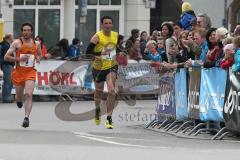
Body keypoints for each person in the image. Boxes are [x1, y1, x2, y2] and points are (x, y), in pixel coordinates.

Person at [4, 22, 41, 128]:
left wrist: (38, 58)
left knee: (29, 94)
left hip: (30, 72)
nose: (26, 32)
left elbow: (39, 54)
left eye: (28, 30)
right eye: (24, 30)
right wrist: (19, 59)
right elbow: (6, 57)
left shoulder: (36, 43)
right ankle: (19, 100)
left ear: (31, 32)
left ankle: (26, 118)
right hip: (18, 73)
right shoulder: (17, 43)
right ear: (22, 32)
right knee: (19, 97)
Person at [86, 16, 118, 129]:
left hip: (111, 66)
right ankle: (97, 109)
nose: (108, 25)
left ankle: (109, 118)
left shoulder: (115, 35)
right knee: (98, 92)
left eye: (110, 23)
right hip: (99, 68)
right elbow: (88, 51)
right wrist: (101, 53)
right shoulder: (97, 36)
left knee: (112, 91)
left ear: (112, 25)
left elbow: (116, 49)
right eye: (105, 23)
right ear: (102, 25)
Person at [0, 33, 14, 103]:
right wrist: (15, 59)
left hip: (7, 65)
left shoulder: (6, 45)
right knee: (8, 82)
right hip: (7, 65)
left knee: (9, 81)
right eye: (12, 37)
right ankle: (6, 97)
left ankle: (7, 96)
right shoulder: (5, 46)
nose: (13, 38)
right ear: (8, 38)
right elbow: (6, 57)